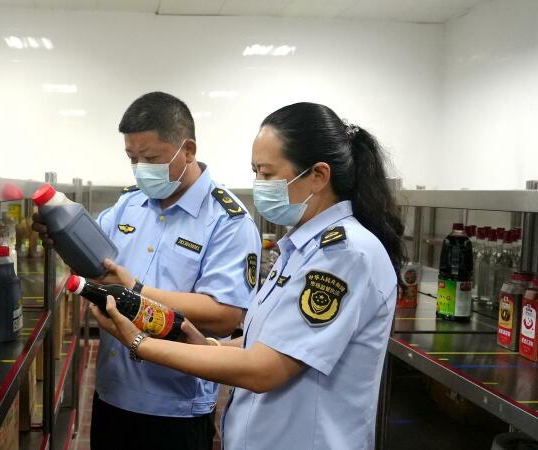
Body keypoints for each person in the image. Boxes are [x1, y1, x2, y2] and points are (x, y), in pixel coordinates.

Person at [91, 102, 404, 450]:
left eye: (267, 174)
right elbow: (269, 341)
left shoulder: (343, 254)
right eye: (255, 172)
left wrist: (141, 343)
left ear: (318, 175)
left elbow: (264, 368)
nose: (259, 185)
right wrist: (209, 346)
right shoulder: (301, 249)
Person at [33, 92, 261, 450]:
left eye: (151, 158)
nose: (141, 168)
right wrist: (63, 239)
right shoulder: (129, 204)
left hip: (174, 408)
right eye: (132, 158)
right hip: (112, 394)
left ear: (188, 150)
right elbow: (96, 268)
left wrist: (136, 290)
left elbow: (225, 316)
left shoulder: (228, 221)